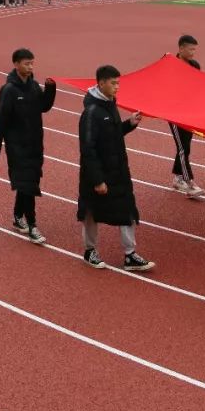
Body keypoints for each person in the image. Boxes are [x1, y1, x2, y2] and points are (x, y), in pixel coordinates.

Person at [77, 64, 154, 271]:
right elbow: (88, 148)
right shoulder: (92, 112)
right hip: (98, 173)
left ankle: (130, 255)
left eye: (118, 83)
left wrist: (129, 124)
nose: (117, 87)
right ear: (101, 83)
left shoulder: (110, 105)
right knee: (92, 212)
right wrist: (97, 179)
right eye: (113, 83)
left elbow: (111, 135)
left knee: (127, 208)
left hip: (118, 170)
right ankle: (89, 250)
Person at [0, 48, 57, 245]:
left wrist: (50, 90)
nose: (30, 66)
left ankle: (18, 217)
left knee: (28, 183)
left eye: (32, 63)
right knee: (28, 185)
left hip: (35, 143)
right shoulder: (9, 90)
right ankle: (32, 225)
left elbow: (44, 107)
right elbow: (0, 119)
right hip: (17, 146)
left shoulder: (34, 86)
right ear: (16, 64)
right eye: (27, 63)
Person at [169, 35, 205, 196]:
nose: (193, 53)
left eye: (195, 50)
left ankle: (177, 178)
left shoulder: (195, 65)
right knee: (183, 147)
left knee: (186, 146)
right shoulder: (170, 65)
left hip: (189, 112)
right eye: (190, 49)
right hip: (175, 113)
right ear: (181, 48)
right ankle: (188, 181)